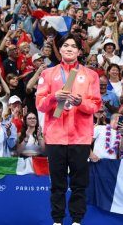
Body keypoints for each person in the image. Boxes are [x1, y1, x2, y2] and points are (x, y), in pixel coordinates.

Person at [36, 33, 102, 225]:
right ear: (60, 49)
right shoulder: (47, 74)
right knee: (57, 184)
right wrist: (53, 97)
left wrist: (81, 103)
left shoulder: (91, 75)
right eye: (65, 45)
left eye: (73, 46)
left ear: (79, 51)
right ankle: (57, 220)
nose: (69, 49)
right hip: (55, 136)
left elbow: (95, 105)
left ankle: (76, 221)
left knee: (79, 184)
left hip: (80, 137)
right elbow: (40, 104)